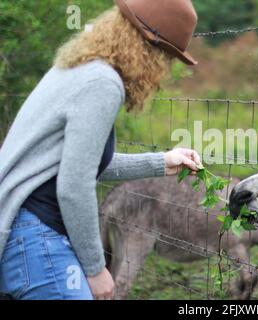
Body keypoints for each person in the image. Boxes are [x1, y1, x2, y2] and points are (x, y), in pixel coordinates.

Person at [0, 0, 200, 300]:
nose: (163, 69)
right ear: (147, 47)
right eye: (166, 56)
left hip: (22, 228)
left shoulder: (81, 67)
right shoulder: (102, 84)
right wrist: (95, 270)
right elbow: (74, 185)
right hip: (38, 236)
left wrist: (162, 161)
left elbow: (81, 164)